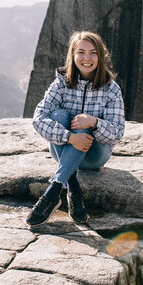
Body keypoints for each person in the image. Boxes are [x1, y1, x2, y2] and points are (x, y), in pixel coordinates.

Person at [26, 31, 125, 226]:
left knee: (82, 124)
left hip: (94, 156)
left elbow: (117, 133)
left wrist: (93, 123)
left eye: (93, 53)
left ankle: (53, 192)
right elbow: (38, 118)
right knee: (59, 116)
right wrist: (70, 138)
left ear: (101, 57)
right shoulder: (61, 83)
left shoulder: (111, 89)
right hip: (64, 149)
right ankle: (73, 190)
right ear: (73, 55)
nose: (87, 58)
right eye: (81, 52)